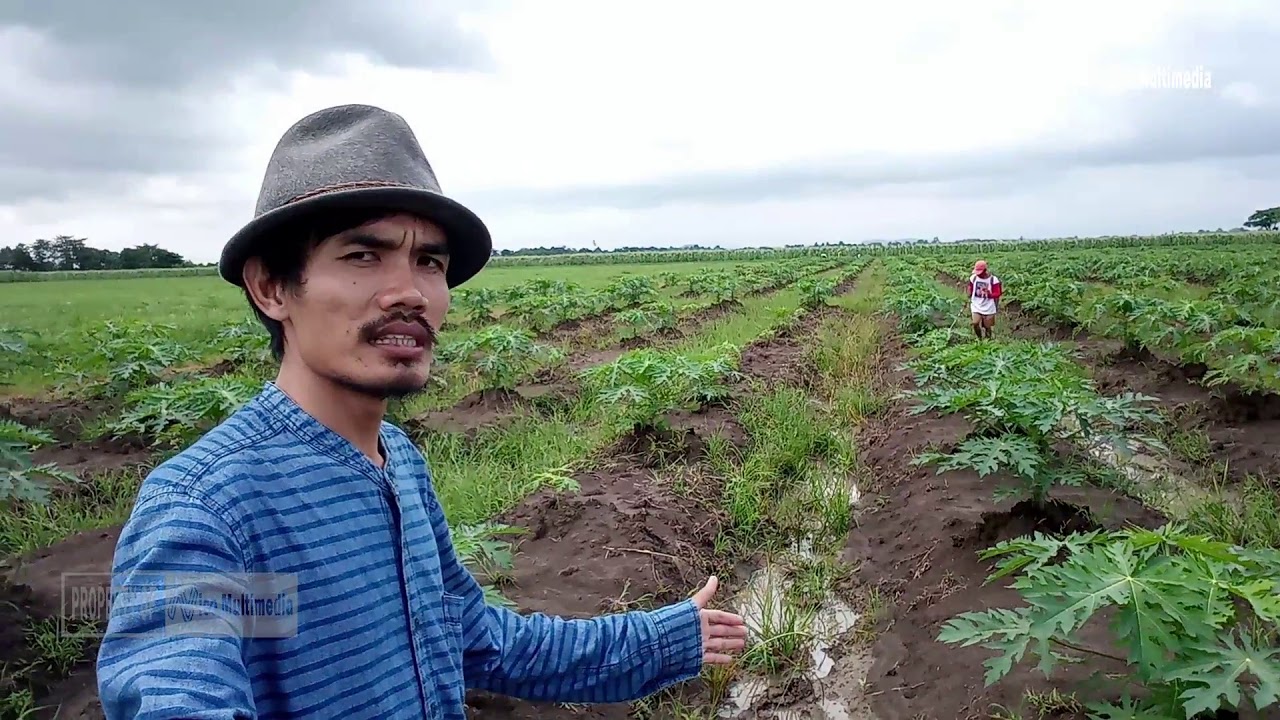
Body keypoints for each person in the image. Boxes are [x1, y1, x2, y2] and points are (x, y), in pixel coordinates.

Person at [96, 104, 747, 720]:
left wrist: (661, 640)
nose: (408, 291)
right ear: (271, 287)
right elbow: (174, 680)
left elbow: (477, 638)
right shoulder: (206, 506)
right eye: (362, 256)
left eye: (428, 261)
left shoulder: (398, 462)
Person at [967, 259, 1001, 339]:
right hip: (976, 304)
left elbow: (998, 293)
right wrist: (969, 293)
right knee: (975, 323)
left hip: (989, 305)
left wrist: (989, 294)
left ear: (985, 270)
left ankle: (988, 341)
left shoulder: (993, 280)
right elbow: (971, 288)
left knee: (987, 326)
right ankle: (979, 339)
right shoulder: (973, 278)